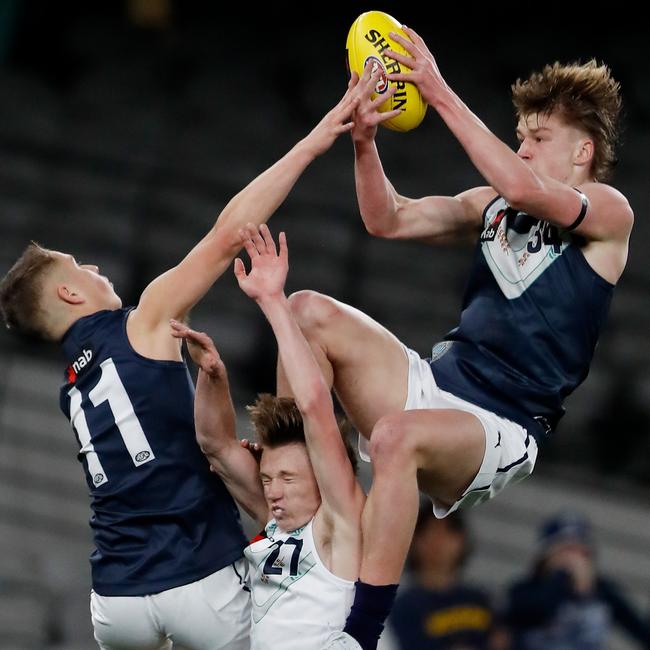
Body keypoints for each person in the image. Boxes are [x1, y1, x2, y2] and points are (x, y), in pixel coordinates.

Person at [283, 31, 634, 650]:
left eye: (536, 137)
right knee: (305, 312)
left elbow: (528, 190)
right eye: (520, 135)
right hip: (436, 382)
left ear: (582, 151)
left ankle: (359, 635)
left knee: (395, 437)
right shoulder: (490, 204)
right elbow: (386, 218)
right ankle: (291, 538)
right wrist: (365, 142)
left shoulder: (609, 213)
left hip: (502, 426)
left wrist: (438, 92)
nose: (520, 147)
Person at [0, 88, 360, 650]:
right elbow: (227, 234)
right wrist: (312, 144)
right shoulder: (144, 320)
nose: (94, 265)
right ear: (70, 293)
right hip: (198, 575)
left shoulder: (71, 389)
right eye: (79, 264)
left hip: (116, 599)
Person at [170, 223, 365, 649]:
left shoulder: (339, 524)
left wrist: (274, 302)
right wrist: (212, 375)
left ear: (323, 475)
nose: (273, 492)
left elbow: (314, 408)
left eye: (288, 479)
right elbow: (217, 446)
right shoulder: (275, 522)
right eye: (268, 478)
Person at [505, 511, 650, 649]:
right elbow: (533, 612)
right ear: (545, 557)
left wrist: (585, 593)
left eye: (581, 553)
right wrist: (561, 578)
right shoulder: (525, 589)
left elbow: (642, 633)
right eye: (566, 550)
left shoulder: (603, 593)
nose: (574, 560)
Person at [387, 507, 496, 650]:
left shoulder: (480, 600)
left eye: (448, 532)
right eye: (430, 532)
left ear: (462, 540)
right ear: (414, 540)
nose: (439, 541)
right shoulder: (403, 605)